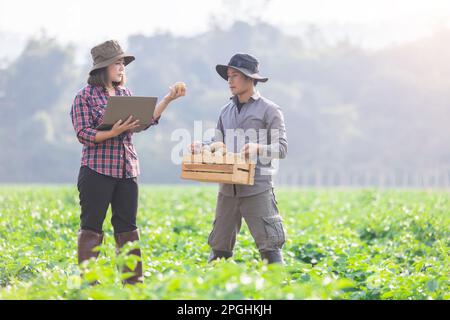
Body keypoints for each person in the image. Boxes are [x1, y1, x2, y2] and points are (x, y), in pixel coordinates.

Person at [70, 40, 185, 285]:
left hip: (127, 169)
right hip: (96, 170)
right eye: (117, 63)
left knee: (127, 228)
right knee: (92, 226)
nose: (122, 68)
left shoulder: (125, 94)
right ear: (103, 68)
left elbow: (144, 122)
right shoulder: (84, 97)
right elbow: (83, 134)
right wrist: (112, 132)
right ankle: (89, 282)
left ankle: (133, 282)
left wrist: (167, 100)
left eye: (123, 64)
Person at [190, 53, 288, 264]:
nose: (230, 81)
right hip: (227, 190)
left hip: (257, 188)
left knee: (270, 250)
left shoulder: (269, 110)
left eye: (235, 75)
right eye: (228, 76)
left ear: (250, 78)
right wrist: (202, 146)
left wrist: (257, 147)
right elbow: (219, 144)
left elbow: (281, 149)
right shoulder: (225, 111)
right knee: (218, 251)